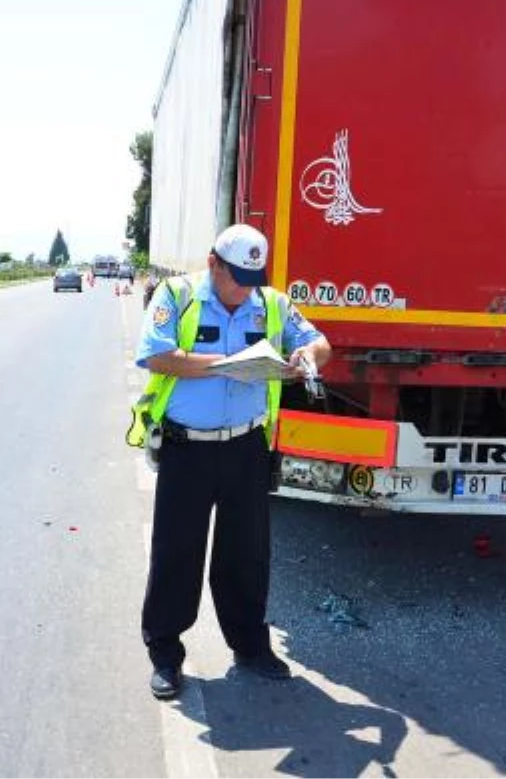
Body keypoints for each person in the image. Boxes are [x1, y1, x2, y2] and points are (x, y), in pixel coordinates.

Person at [128, 223, 332, 700]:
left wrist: (306, 355)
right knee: (176, 554)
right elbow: (157, 357)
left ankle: (250, 646)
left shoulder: (271, 302)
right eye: (234, 276)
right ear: (213, 262)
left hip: (245, 447)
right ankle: (165, 652)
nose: (243, 289)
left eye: (251, 278)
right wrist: (223, 365)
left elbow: (320, 341)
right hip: (188, 447)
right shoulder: (176, 296)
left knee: (247, 553)